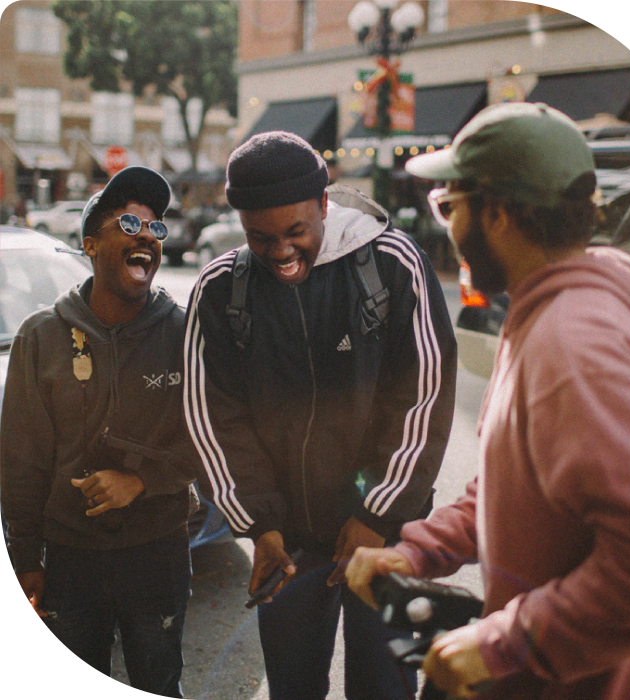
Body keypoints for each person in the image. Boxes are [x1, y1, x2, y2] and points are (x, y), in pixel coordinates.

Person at [346, 102, 630, 700]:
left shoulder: (573, 347)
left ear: (501, 213)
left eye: (450, 206)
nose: (448, 228)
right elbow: (521, 483)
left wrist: (504, 642)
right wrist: (420, 551)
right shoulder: (551, 310)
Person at [183, 131, 457, 700]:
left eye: (295, 232)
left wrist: (376, 512)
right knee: (293, 687)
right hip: (288, 540)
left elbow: (424, 396)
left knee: (384, 689)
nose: (281, 252)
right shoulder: (219, 290)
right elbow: (213, 418)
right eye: (260, 237)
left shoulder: (394, 263)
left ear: (325, 206)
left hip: (386, 533)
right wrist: (260, 526)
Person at [0, 166, 197, 697]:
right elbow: (21, 463)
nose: (147, 237)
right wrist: (24, 560)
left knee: (159, 682)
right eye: (129, 223)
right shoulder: (40, 337)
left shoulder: (184, 333)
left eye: (156, 229)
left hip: (157, 553)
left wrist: (142, 480)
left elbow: (216, 440)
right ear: (90, 244)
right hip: (70, 558)